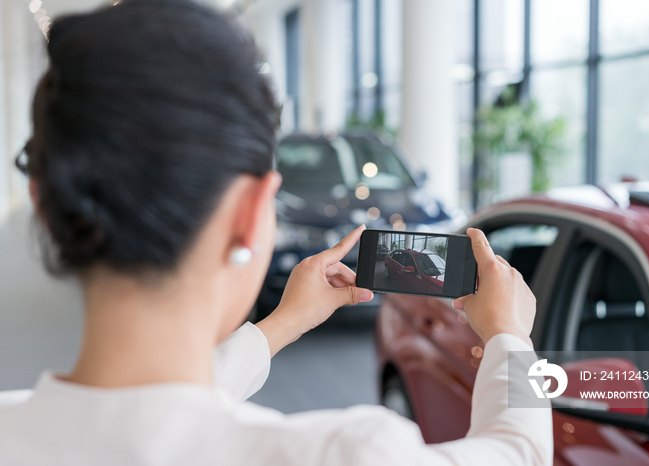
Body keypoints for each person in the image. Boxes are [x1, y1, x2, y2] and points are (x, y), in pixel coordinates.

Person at [0, 0, 552, 464]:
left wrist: (282, 324)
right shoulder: (348, 452)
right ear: (250, 214)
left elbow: (144, 414)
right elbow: (516, 453)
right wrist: (509, 336)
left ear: (43, 207)